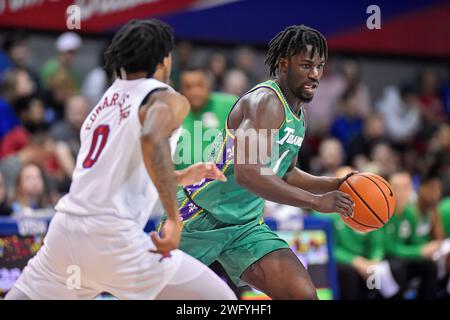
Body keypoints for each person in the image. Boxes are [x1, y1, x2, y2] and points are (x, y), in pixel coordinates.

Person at [5, 19, 236, 300]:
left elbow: (109, 177)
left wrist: (178, 177)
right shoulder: (164, 97)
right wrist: (174, 219)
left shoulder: (103, 103)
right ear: (164, 59)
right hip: (112, 240)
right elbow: (152, 138)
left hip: (65, 235)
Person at [159, 25, 355, 300]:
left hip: (245, 226)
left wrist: (336, 183)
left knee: (303, 295)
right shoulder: (265, 103)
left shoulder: (298, 112)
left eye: (320, 66)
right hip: (200, 218)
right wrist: (314, 202)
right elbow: (248, 174)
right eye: (307, 65)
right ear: (284, 64)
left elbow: (285, 173)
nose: (314, 74)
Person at [174, 66, 236, 170]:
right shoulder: (172, 111)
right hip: (183, 183)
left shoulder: (230, 104)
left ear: (209, 85)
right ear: (180, 90)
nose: (195, 92)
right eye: (188, 87)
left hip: (220, 180)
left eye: (200, 85)